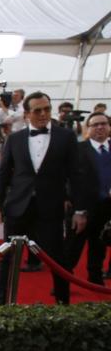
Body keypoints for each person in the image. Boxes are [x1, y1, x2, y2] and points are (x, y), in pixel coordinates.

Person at [0, 91, 86, 305]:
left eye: (47, 109)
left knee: (57, 259)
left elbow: (76, 175)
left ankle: (63, 305)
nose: (43, 114)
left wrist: (80, 210)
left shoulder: (66, 137)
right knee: (8, 258)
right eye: (38, 110)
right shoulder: (14, 139)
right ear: (26, 114)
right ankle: (1, 304)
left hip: (50, 208)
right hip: (17, 207)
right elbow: (3, 175)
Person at [65, 112, 111, 285]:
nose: (100, 127)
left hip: (106, 207)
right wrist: (75, 206)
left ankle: (96, 279)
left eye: (103, 123)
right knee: (72, 247)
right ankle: (63, 282)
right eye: (95, 125)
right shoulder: (77, 150)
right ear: (88, 129)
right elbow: (67, 178)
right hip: (81, 208)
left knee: (99, 247)